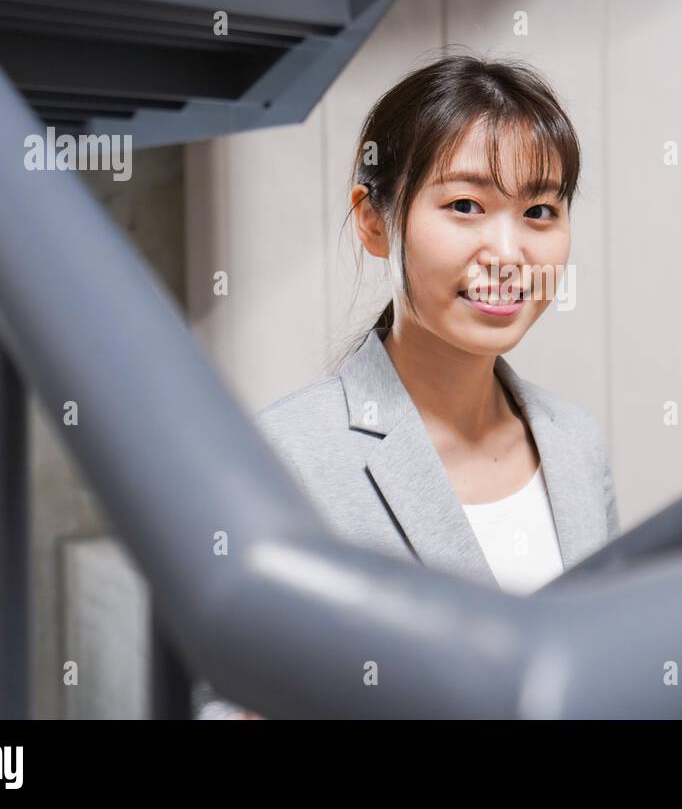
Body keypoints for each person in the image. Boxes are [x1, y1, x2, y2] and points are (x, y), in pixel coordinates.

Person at [192, 52, 620, 719]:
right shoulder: (285, 455)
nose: (508, 255)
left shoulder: (575, 443)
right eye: (466, 205)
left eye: (539, 210)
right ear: (373, 220)